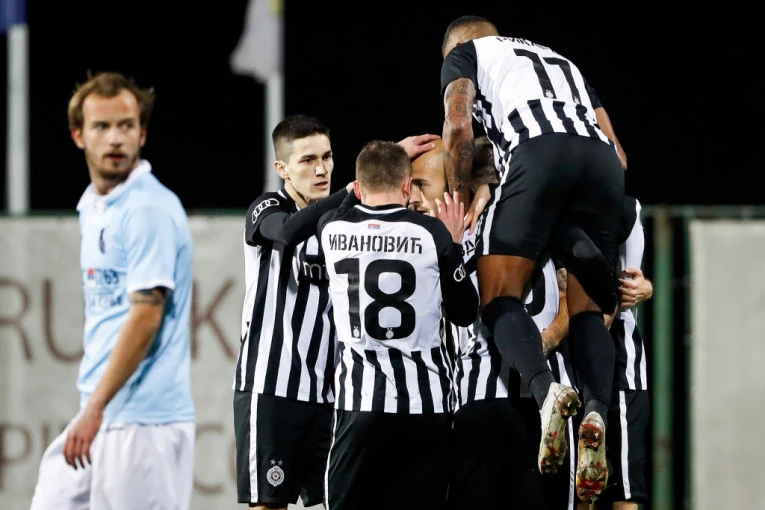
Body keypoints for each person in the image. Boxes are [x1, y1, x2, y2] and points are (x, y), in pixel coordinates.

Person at [439, 15, 626, 501]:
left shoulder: (466, 55)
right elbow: (620, 154)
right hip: (604, 166)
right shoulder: (564, 61)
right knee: (589, 309)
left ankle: (547, 394)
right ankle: (596, 412)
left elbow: (458, 126)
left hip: (537, 153)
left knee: (499, 295)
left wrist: (462, 192)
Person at [232, 115, 436, 509]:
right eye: (308, 160)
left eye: (326, 157)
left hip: (331, 394)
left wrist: (389, 161)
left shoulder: (343, 219)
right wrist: (356, 187)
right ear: (282, 169)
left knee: (339, 502)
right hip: (273, 387)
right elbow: (288, 232)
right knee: (269, 504)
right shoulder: (267, 207)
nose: (321, 169)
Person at [29, 71, 195, 509]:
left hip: (145, 424)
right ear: (79, 135)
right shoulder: (95, 206)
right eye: (102, 126)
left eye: (126, 125)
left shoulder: (148, 208)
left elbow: (146, 316)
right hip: (102, 413)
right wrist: (95, 409)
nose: (115, 138)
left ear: (142, 134)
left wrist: (95, 409)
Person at [409, 137, 577, 509]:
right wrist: (550, 336)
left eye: (420, 185)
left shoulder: (446, 245)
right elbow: (578, 296)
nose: (411, 198)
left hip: (480, 400)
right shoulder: (543, 227)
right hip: (548, 403)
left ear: (456, 191)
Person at [318, 140, 478, 510]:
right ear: (407, 186)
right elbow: (464, 313)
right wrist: (453, 246)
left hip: (360, 404)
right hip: (426, 406)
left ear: (359, 188)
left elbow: (336, 208)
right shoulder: (433, 233)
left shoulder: (331, 228)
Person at [580, 195, 653, 510]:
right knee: (579, 484)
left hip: (618, 361)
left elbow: (631, 281)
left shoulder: (623, 208)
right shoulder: (553, 201)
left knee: (624, 486)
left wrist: (643, 286)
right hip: (571, 356)